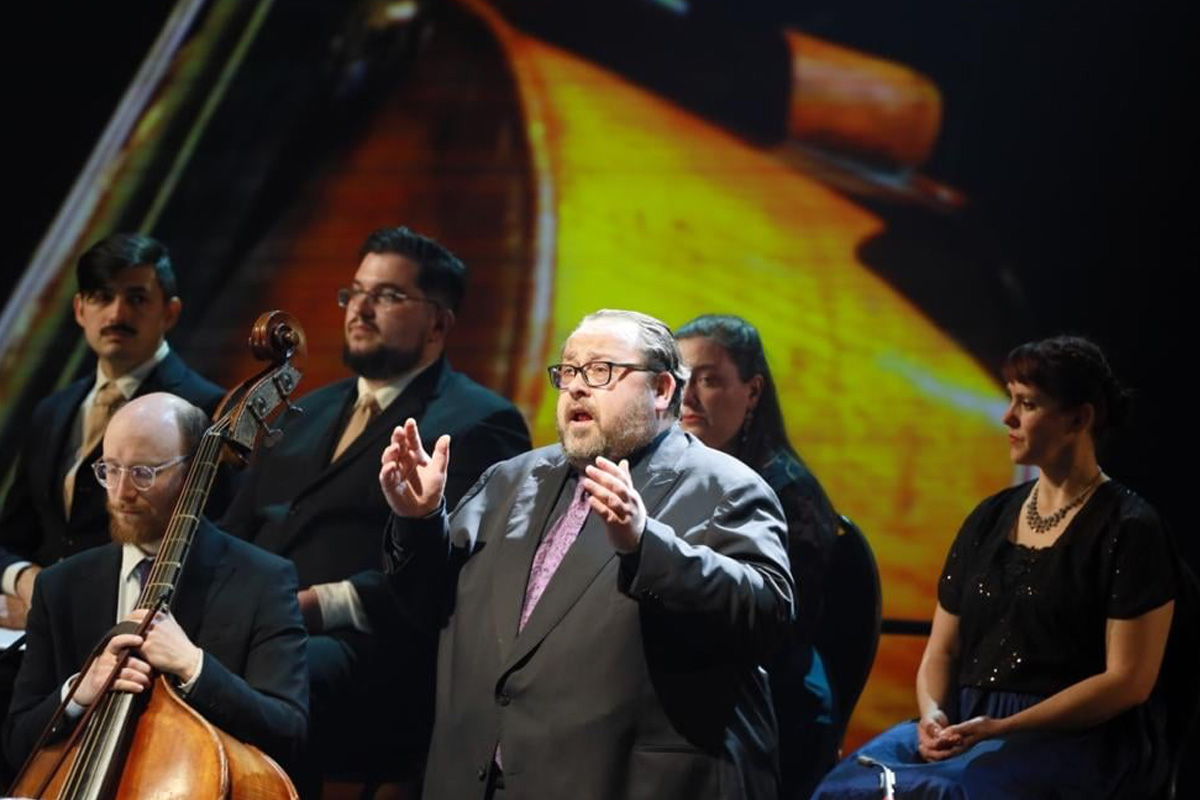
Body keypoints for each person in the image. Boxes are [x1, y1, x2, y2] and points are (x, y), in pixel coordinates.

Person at [380, 308, 794, 800]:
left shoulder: (725, 487)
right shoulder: (509, 481)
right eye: (569, 370)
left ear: (662, 389)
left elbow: (765, 615)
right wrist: (420, 520)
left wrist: (645, 544)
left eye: (600, 371)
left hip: (620, 781)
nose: (576, 387)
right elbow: (428, 607)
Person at [220, 225, 531, 790]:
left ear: (439, 324)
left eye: (387, 296)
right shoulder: (305, 412)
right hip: (271, 626)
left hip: (374, 653)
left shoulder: (479, 421)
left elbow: (456, 571)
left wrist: (315, 605)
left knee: (284, 673)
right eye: (356, 292)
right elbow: (235, 529)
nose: (359, 310)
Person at [812, 335, 1178, 799]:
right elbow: (943, 650)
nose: (1008, 417)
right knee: (850, 787)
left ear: (1078, 418)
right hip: (972, 722)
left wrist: (1004, 726)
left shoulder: (1128, 528)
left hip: (1072, 736)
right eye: (1010, 399)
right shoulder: (989, 518)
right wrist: (932, 715)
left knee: (952, 791)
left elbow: (1127, 682)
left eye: (1027, 403)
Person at [2, 393, 308, 773]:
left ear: (193, 471)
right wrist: (78, 692)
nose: (121, 493)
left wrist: (193, 665)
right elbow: (16, 743)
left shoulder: (262, 580)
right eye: (110, 469)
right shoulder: (59, 586)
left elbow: (288, 731)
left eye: (143, 473)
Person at [0, 233, 225, 631]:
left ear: (170, 312)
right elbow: (11, 536)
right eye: (102, 297)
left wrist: (56, 605)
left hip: (130, 626)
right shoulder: (53, 410)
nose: (117, 313)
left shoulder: (206, 410)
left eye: (136, 298)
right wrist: (23, 579)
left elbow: (213, 547)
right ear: (79, 309)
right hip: (33, 631)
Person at [676, 314, 840, 799]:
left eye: (708, 381)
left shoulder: (788, 493)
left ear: (752, 391)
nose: (687, 398)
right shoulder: (669, 472)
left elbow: (776, 637)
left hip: (763, 710)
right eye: (680, 379)